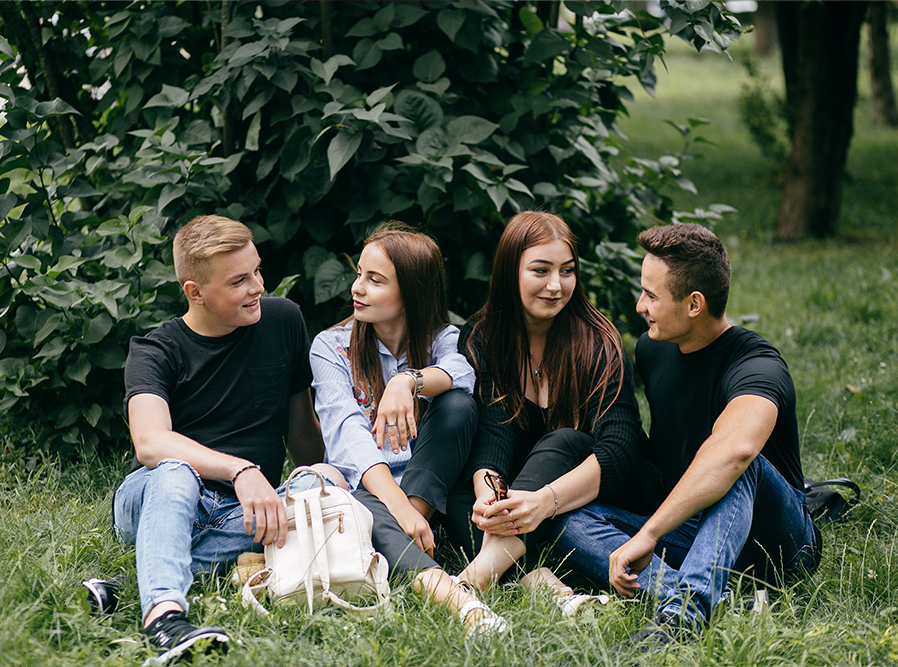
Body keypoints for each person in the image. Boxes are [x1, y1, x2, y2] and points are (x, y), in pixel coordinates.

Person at [553, 223, 821, 644]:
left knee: (738, 464)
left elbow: (736, 451)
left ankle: (683, 617)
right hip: (693, 530)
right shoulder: (652, 350)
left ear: (695, 304)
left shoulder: (757, 365)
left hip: (777, 543)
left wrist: (648, 533)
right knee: (567, 515)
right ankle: (713, 595)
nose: (640, 305)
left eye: (651, 295)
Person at [113, 215, 336, 664]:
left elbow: (301, 430)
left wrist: (332, 472)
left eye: (257, 271)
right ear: (194, 292)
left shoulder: (282, 321)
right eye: (239, 281)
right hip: (162, 499)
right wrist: (241, 469)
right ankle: (165, 621)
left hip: (248, 510)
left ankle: (129, 587)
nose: (257, 286)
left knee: (319, 483)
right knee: (176, 470)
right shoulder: (156, 349)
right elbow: (151, 444)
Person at [309, 222, 508, 636]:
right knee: (369, 512)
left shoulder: (442, 338)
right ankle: (462, 604)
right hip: (368, 489)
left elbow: (462, 375)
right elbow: (347, 435)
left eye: (375, 280)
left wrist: (407, 381)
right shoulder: (331, 347)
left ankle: (403, 533)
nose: (357, 288)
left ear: (411, 293)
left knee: (456, 405)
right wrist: (400, 509)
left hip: (431, 486)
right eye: (359, 274)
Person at [449, 211, 649, 614]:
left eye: (567, 271)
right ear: (510, 272)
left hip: (597, 495)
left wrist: (543, 501)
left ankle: (471, 582)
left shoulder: (598, 341)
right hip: (526, 501)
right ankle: (543, 584)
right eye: (540, 270)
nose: (556, 286)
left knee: (563, 440)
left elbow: (622, 449)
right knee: (459, 499)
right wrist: (492, 496)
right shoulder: (483, 337)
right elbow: (493, 434)